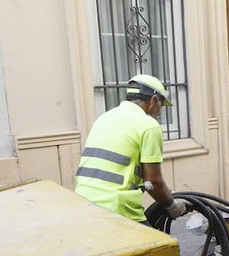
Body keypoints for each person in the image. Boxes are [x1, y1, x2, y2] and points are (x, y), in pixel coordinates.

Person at [75, 74, 187, 224]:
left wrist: (166, 193)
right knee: (161, 245)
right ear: (153, 100)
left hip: (83, 201)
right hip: (117, 208)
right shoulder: (148, 125)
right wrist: (172, 205)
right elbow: (153, 182)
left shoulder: (105, 117)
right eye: (161, 105)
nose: (160, 112)